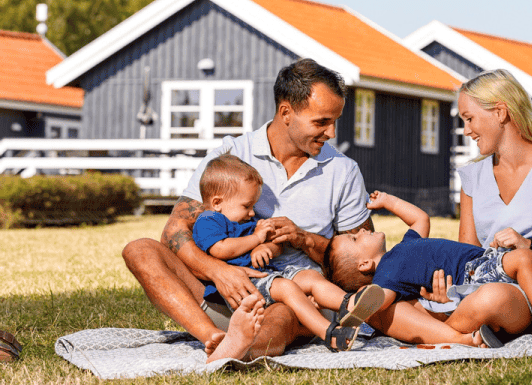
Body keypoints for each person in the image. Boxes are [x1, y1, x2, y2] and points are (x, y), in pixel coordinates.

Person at [122, 58, 375, 361]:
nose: (331, 133)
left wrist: (304, 239)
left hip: (291, 303)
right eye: (321, 122)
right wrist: (219, 272)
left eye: (335, 121)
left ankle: (241, 352)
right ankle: (213, 338)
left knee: (282, 311)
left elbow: (362, 268)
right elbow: (174, 232)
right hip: (217, 294)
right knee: (139, 250)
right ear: (286, 113)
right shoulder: (231, 155)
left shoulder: (343, 171)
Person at [367, 68, 532, 342]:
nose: (466, 130)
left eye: (470, 118)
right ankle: (461, 333)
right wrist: (446, 290)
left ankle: (440, 333)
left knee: (492, 299)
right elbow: (468, 253)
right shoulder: (472, 177)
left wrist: (531, 247)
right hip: (484, 282)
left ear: (500, 112)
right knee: (384, 304)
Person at [328, 191, 532, 345]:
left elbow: (420, 220)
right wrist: (358, 309)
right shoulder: (387, 273)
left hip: (486, 259)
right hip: (475, 274)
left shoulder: (405, 245)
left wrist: (388, 201)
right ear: (364, 264)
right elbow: (381, 301)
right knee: (524, 259)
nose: (361, 230)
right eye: (354, 238)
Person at [193, 153, 384, 358]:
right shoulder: (209, 220)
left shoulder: (244, 223)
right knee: (286, 288)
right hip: (243, 282)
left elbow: (276, 246)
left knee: (310, 277)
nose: (251, 213)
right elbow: (221, 249)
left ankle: (349, 304)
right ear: (217, 202)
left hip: (268, 273)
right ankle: (330, 333)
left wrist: (265, 248)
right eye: (246, 206)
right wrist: (256, 240)